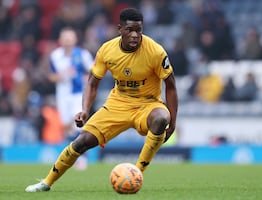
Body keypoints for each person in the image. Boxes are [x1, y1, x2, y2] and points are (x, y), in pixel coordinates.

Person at [25, 7, 178, 192]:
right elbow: (92, 83)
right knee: (82, 142)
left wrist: (173, 121)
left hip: (148, 104)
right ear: (119, 28)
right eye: (130, 30)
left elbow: (170, 85)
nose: (135, 35)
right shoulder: (107, 50)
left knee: (161, 117)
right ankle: (46, 182)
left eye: (139, 30)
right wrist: (85, 110)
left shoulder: (155, 51)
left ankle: (137, 172)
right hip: (118, 104)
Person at [48, 27, 94, 141]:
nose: (67, 40)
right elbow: (51, 76)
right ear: (60, 40)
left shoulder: (83, 54)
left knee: (77, 121)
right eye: (65, 38)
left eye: (70, 38)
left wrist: (84, 78)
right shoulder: (55, 56)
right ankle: (72, 152)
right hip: (62, 94)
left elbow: (93, 72)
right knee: (66, 125)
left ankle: (81, 156)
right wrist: (61, 76)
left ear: (75, 39)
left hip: (78, 94)